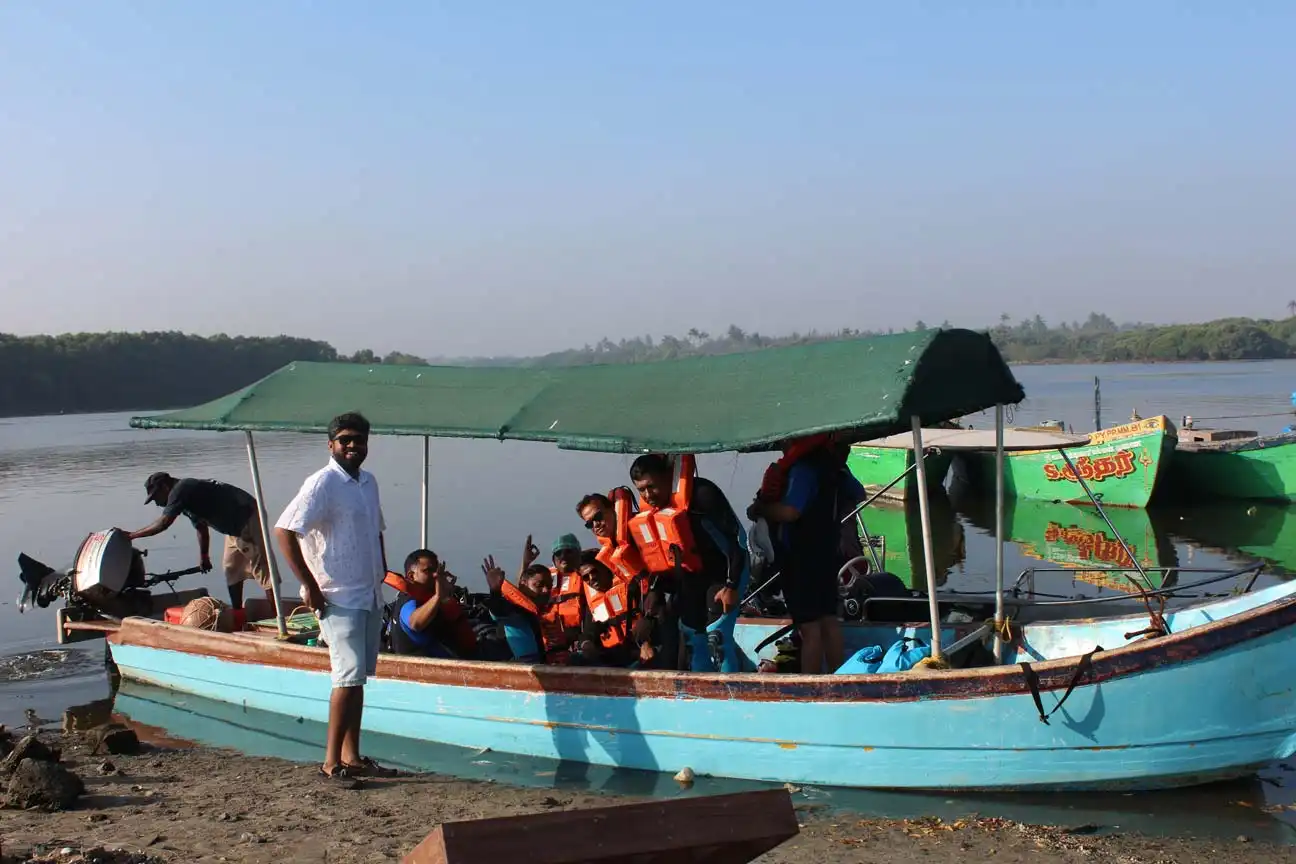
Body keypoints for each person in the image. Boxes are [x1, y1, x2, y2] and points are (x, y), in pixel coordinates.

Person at [273, 411, 396, 782]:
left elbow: (377, 531)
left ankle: (353, 756)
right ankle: (331, 762)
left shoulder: (368, 482)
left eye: (359, 440)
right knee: (344, 678)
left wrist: (383, 572)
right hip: (337, 594)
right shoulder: (321, 483)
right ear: (331, 445)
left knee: (358, 679)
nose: (353, 446)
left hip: (368, 593)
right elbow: (284, 531)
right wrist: (309, 585)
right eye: (346, 440)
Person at [747, 435, 862, 674]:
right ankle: (838, 680)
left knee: (809, 628)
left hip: (802, 558)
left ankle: (810, 687)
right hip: (828, 554)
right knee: (829, 620)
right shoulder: (834, 469)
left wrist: (760, 509)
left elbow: (791, 512)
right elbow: (858, 493)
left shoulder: (803, 470)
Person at [627, 454, 749, 672]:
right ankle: (707, 695)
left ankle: (731, 696)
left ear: (667, 477)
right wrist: (655, 591)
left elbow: (736, 544)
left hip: (724, 573)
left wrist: (731, 585)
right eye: (641, 490)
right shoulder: (652, 510)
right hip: (692, 578)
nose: (648, 495)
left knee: (716, 638)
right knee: (693, 638)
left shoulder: (702, 495)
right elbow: (660, 561)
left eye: (652, 486)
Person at [125, 472, 271, 609]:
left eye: (156, 497)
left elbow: (163, 523)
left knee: (262, 568)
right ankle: (238, 614)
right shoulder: (186, 500)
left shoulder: (181, 489)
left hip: (247, 517)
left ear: (165, 487)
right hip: (233, 529)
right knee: (231, 568)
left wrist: (132, 535)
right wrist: (204, 557)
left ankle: (278, 616)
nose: (157, 503)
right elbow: (201, 528)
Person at [480, 537, 579, 664]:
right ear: (524, 584)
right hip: (523, 671)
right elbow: (498, 610)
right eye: (539, 585)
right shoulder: (515, 615)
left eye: (549, 586)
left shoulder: (541, 611)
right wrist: (494, 591)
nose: (545, 590)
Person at [384, 549, 478, 659]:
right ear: (411, 576)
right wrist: (438, 596)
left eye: (437, 571)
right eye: (428, 571)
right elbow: (415, 623)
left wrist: (446, 599)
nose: (435, 575)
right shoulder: (409, 602)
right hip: (424, 671)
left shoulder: (434, 600)